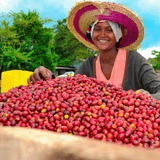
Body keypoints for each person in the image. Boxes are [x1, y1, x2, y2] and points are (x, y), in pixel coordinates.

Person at [27, 1, 160, 100]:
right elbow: (69, 90)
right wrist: (49, 79)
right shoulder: (88, 65)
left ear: (119, 35)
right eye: (97, 29)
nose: (102, 35)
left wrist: (148, 98)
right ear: (92, 34)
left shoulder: (135, 61)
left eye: (109, 30)